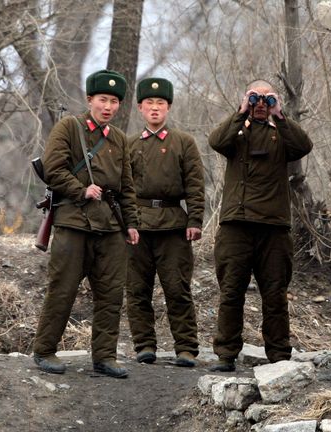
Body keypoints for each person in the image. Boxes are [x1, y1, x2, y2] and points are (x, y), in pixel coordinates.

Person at [32, 69, 140, 379]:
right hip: (73, 223)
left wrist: (130, 224)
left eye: (115, 101)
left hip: (109, 227)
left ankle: (104, 357)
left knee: (110, 293)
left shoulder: (119, 139)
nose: (108, 106)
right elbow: (52, 168)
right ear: (90, 99)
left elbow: (127, 187)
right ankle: (44, 350)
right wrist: (81, 189)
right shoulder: (69, 127)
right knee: (62, 289)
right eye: (103, 99)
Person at [207, 79, 313, 372]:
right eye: (256, 98)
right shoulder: (237, 134)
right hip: (236, 226)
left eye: (267, 99)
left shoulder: (281, 137)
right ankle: (226, 354)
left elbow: (304, 146)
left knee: (275, 294)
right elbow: (216, 141)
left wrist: (281, 115)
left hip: (274, 229)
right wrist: (241, 111)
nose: (261, 104)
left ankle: (279, 356)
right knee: (231, 292)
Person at [126, 77, 205, 367]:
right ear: (140, 108)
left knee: (177, 288)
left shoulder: (183, 142)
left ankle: (186, 348)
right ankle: (144, 346)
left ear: (168, 108)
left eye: (161, 103)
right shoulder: (129, 144)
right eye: (150, 103)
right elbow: (123, 188)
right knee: (137, 289)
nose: (155, 108)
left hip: (174, 224)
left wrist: (195, 218)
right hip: (138, 225)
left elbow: (196, 184)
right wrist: (126, 222)